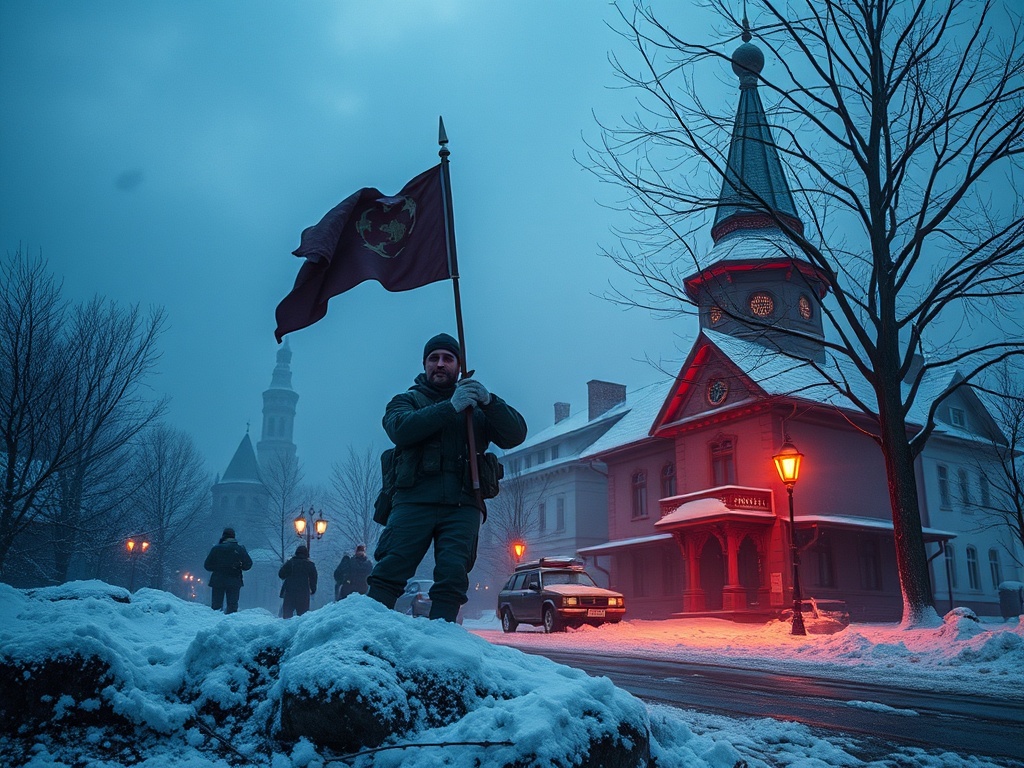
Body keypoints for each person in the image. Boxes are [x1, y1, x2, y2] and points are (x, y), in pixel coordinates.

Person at [367, 332, 527, 622]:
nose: (440, 364)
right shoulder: (406, 401)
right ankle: (366, 633)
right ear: (425, 364)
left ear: (459, 365)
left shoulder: (477, 407)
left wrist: (489, 401)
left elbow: (516, 434)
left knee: (453, 576)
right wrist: (450, 406)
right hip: (413, 500)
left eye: (448, 358)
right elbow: (401, 429)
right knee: (390, 570)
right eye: (434, 358)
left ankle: (441, 640)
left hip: (463, 503)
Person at [203, 527, 253, 614]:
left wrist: (218, 567)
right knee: (232, 607)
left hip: (217, 580)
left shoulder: (216, 549)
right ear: (234, 537)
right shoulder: (239, 549)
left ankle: (215, 623)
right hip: (234, 580)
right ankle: (230, 625)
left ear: (223, 536)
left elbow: (207, 566)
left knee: (216, 607)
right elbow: (248, 564)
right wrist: (239, 566)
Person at [279, 544, 318, 618]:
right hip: (303, 594)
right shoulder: (310, 565)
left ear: (296, 553)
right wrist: (313, 590)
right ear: (307, 554)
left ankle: (286, 629)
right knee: (302, 618)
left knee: (287, 617)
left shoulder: (290, 562)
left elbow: (281, 575)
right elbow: (313, 579)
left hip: (290, 593)